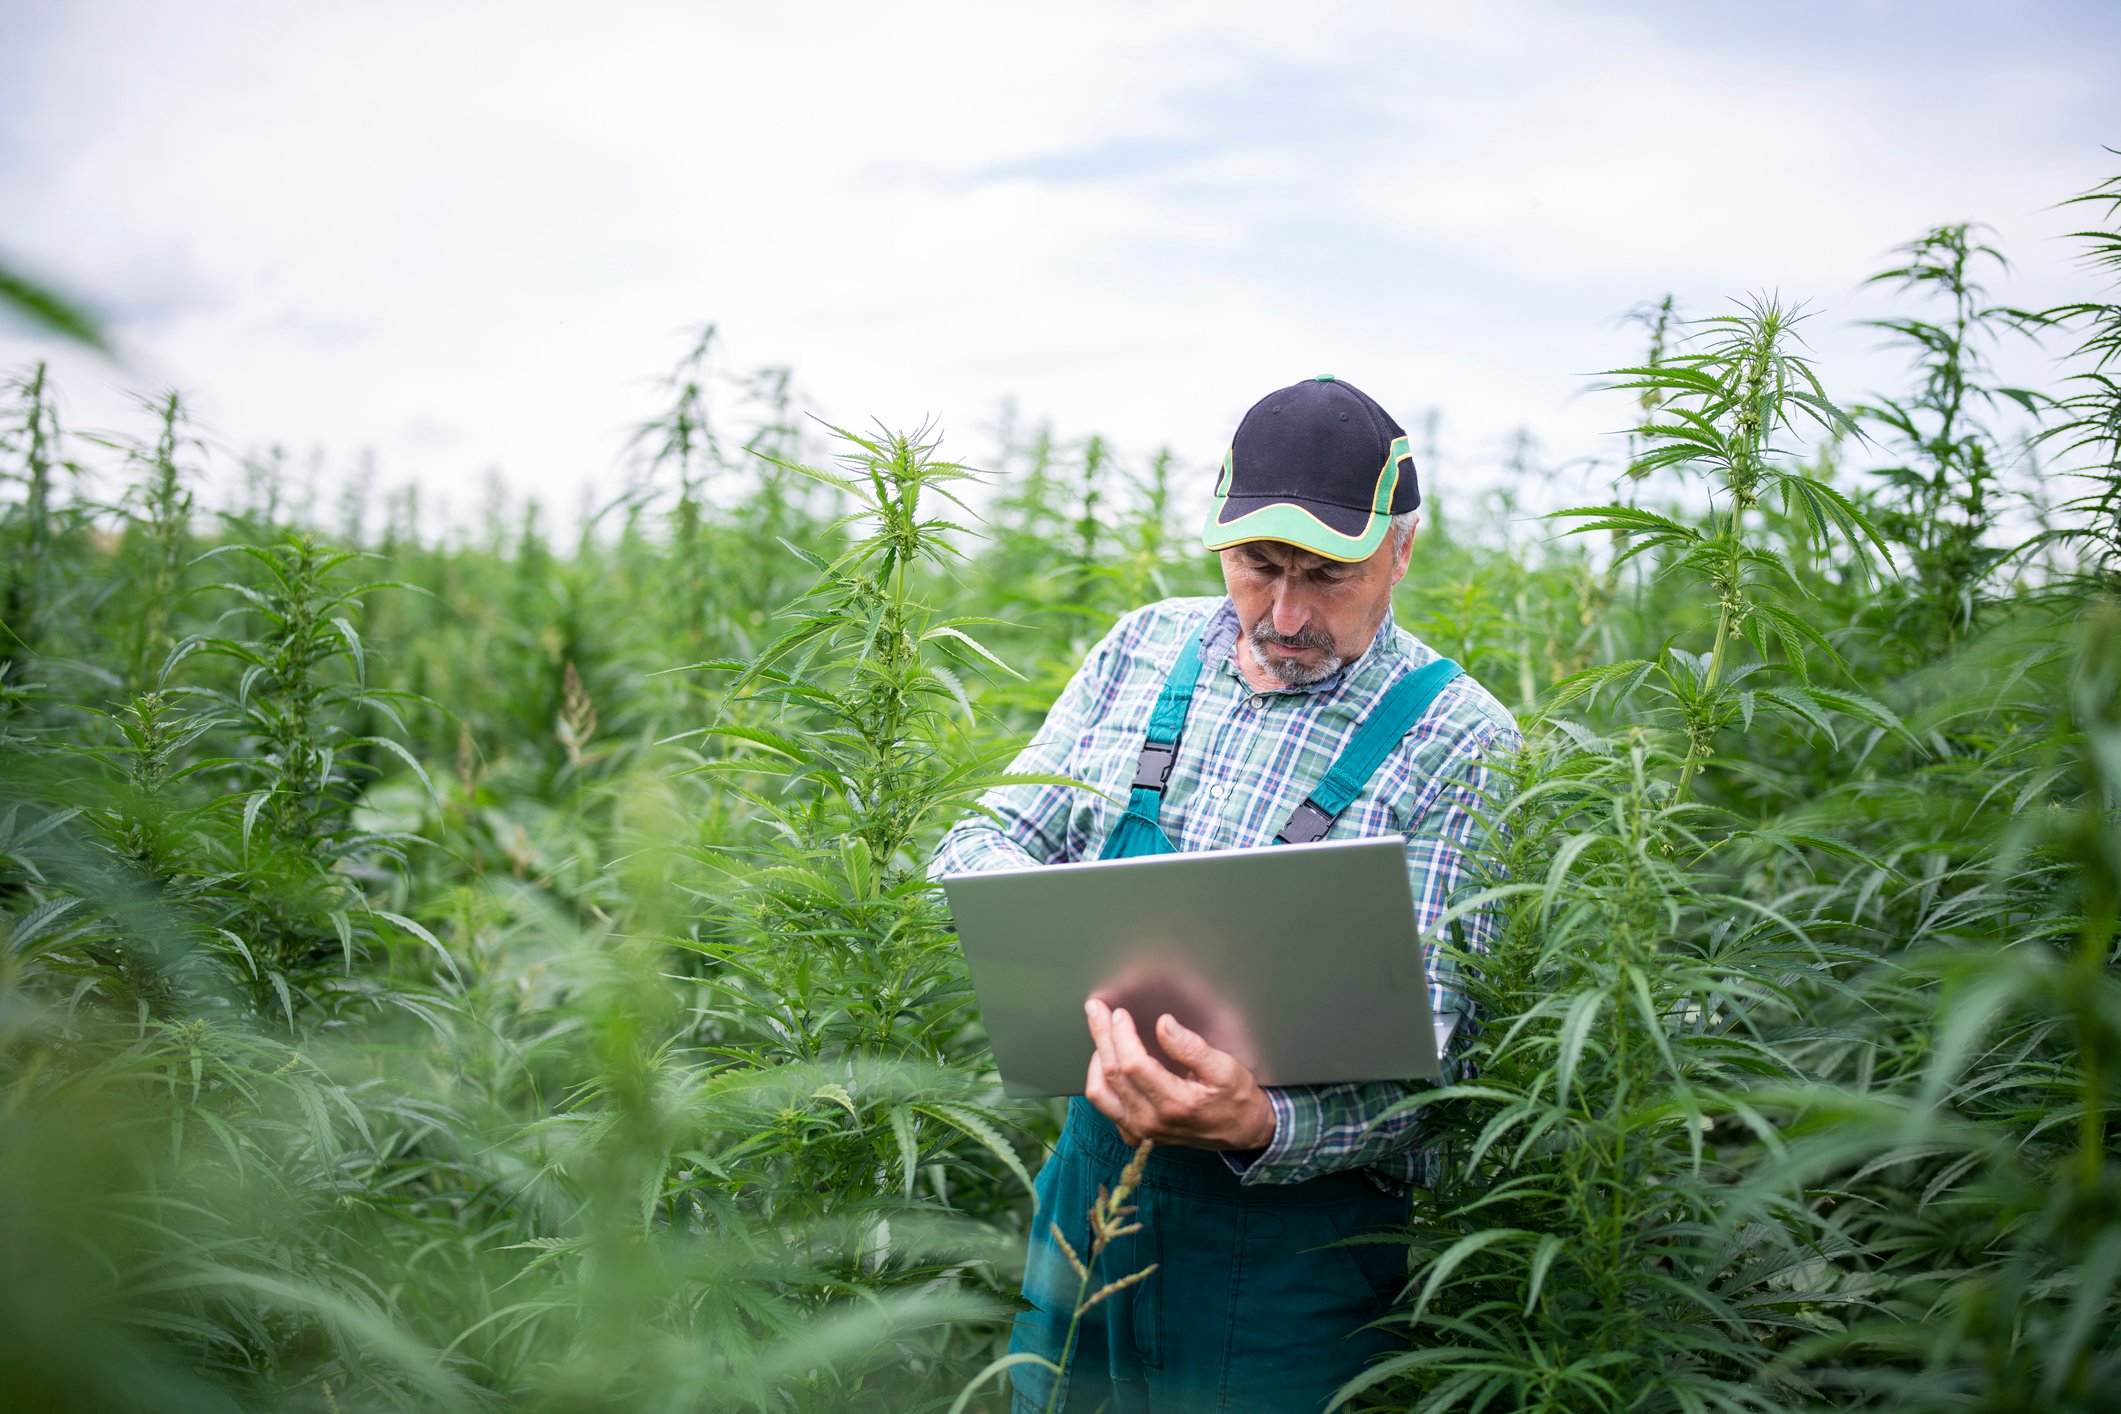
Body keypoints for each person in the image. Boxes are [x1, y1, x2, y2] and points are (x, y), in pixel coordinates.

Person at [934, 376, 1520, 1413]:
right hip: (1087, 1188)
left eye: (1327, 575)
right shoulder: (1142, 649)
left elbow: (1446, 1057)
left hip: (1294, 1257)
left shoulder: (1458, 740)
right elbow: (986, 833)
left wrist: (1261, 1122)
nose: (1286, 614)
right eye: (1258, 567)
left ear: (1401, 550)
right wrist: (1025, 925)